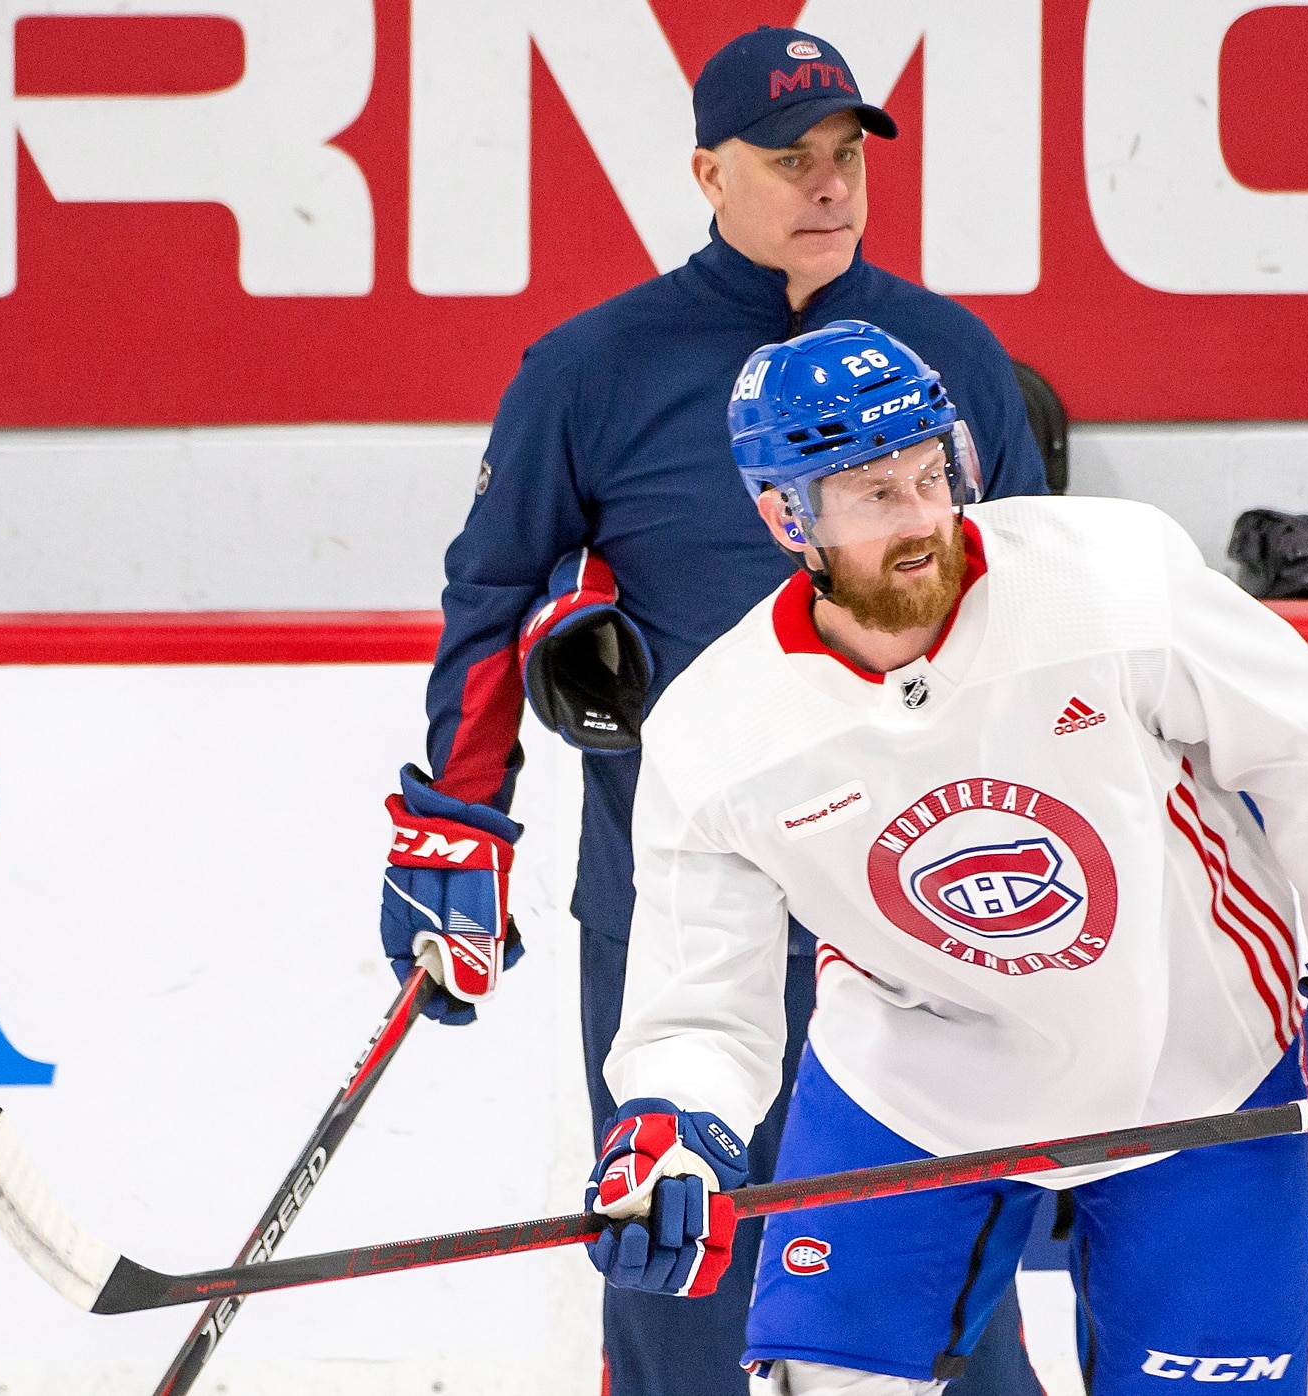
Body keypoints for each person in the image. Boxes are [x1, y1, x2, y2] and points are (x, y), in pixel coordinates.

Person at [582, 322, 1308, 1394]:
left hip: (1188, 1062)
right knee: (830, 1387)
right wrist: (675, 1131)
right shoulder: (717, 733)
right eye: (875, 494)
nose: (924, 519)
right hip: (910, 1084)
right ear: (787, 516)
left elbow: (1301, 735)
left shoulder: (1107, 579)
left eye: (932, 474)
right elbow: (699, 1004)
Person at [373, 26, 1050, 1396]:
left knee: (953, 1311)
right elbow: (494, 600)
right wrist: (457, 828)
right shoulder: (591, 370)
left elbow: (1043, 619)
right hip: (678, 906)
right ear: (706, 170)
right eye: (788, 158)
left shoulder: (953, 359)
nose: (828, 184)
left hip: (923, 900)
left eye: (846, 154)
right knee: (679, 1285)